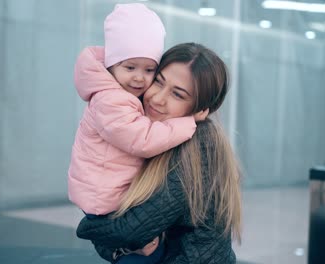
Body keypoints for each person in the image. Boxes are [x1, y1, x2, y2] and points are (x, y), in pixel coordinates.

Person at [76, 43, 243, 264]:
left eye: (178, 94)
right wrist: (120, 251)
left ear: (201, 108)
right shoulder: (147, 132)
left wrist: (88, 227)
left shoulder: (200, 147)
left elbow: (128, 231)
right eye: (158, 81)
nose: (157, 98)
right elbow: (120, 229)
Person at [67, 4, 206, 264]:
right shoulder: (110, 100)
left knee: (149, 251)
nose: (140, 78)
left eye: (149, 69)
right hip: (105, 198)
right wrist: (187, 123)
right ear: (112, 64)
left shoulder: (122, 95)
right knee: (142, 255)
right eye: (130, 68)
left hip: (110, 193)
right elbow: (141, 140)